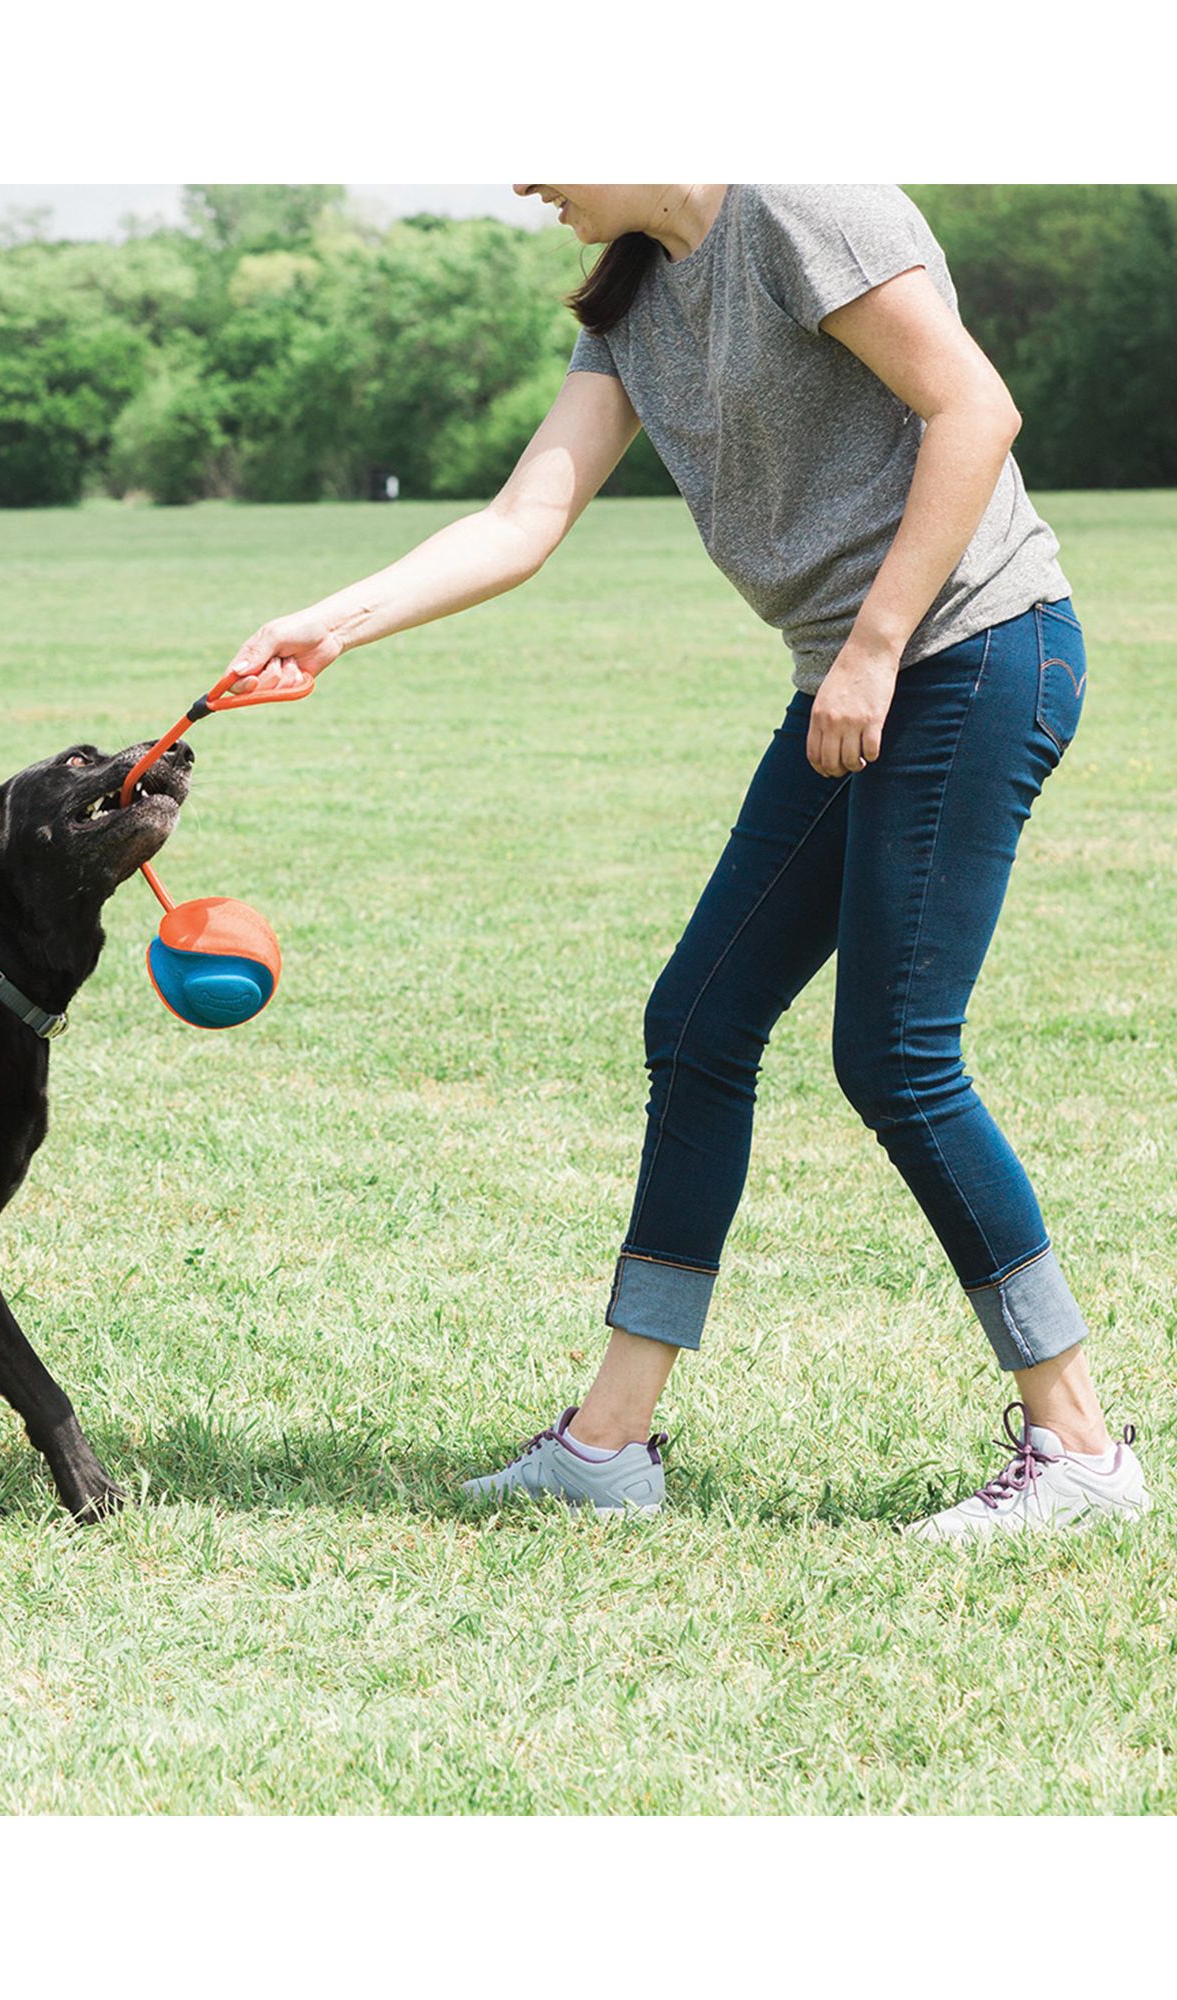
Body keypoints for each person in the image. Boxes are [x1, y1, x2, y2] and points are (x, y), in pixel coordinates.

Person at [225, 184, 1147, 1541]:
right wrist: (333, 625)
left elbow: (977, 410)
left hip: (971, 652)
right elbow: (523, 517)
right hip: (865, 678)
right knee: (702, 1020)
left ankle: (1082, 1450)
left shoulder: (801, 203)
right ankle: (609, 1448)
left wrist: (877, 646)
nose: (525, 180)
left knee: (896, 1053)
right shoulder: (636, 285)